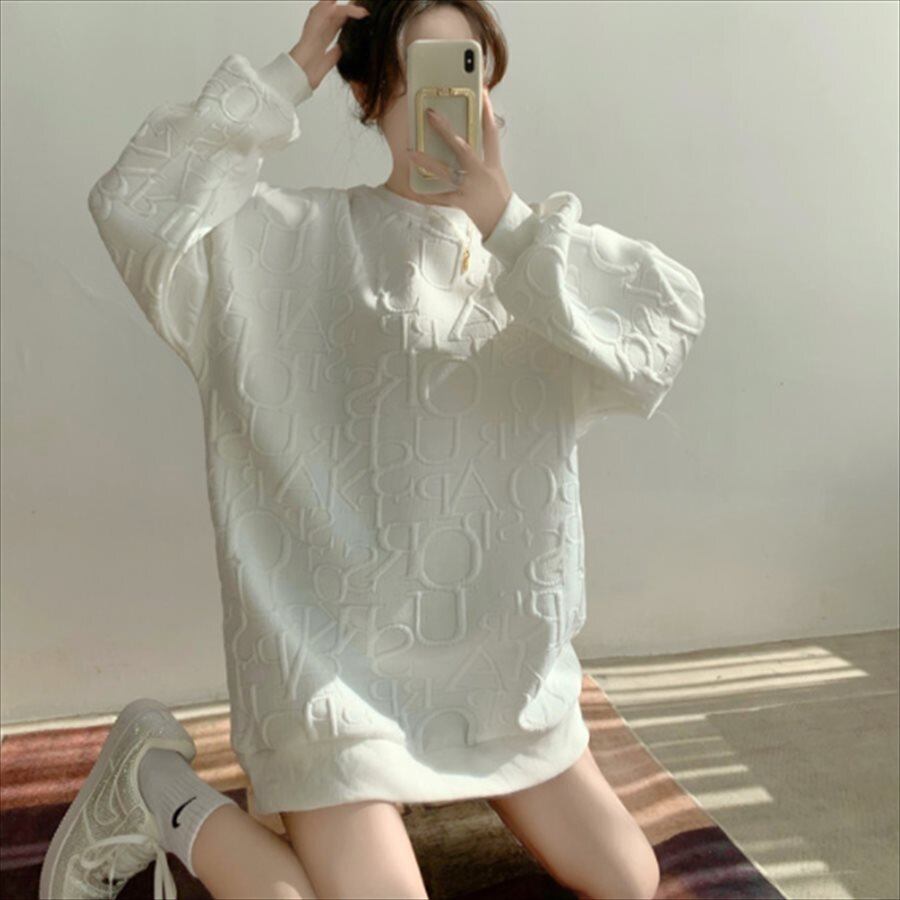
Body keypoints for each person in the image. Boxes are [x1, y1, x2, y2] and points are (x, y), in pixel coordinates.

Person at [41, 1, 706, 898]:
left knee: (629, 879)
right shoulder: (285, 243)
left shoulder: (539, 262)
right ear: (367, 93)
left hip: (497, 678)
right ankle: (154, 786)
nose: (451, 103)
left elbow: (664, 331)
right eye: (424, 74)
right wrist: (286, 77)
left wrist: (506, 223)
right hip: (333, 685)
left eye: (467, 71)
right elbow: (133, 203)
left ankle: (358, 805)